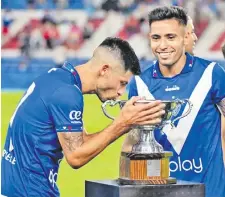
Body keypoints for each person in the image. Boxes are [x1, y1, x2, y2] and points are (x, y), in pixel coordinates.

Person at [1, 37, 166, 197]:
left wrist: (126, 124)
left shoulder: (58, 77)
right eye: (122, 83)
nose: (120, 92)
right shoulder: (67, 93)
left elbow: (81, 141)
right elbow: (76, 156)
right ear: (104, 70)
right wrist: (123, 123)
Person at [125, 6, 225, 197]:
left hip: (211, 192)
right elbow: (132, 141)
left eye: (170, 37)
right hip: (161, 192)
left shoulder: (212, 74)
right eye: (156, 38)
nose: (162, 45)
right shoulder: (140, 83)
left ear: (184, 38)